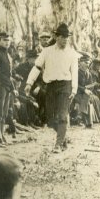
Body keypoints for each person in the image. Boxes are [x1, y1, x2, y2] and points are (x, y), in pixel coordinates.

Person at [24, 23, 80, 152]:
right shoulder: (47, 51)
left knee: (62, 115)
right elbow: (37, 67)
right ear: (56, 37)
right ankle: (63, 138)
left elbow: (75, 72)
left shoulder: (72, 53)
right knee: (50, 119)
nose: (65, 40)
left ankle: (58, 144)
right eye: (62, 37)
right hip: (50, 86)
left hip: (65, 86)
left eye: (67, 37)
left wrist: (74, 89)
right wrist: (29, 83)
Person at [0, 32, 14, 146]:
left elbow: (9, 73)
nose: (7, 42)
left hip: (7, 86)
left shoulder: (8, 55)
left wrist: (12, 86)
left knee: (5, 111)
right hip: (0, 85)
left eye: (8, 40)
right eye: (4, 40)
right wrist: (7, 84)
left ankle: (2, 134)